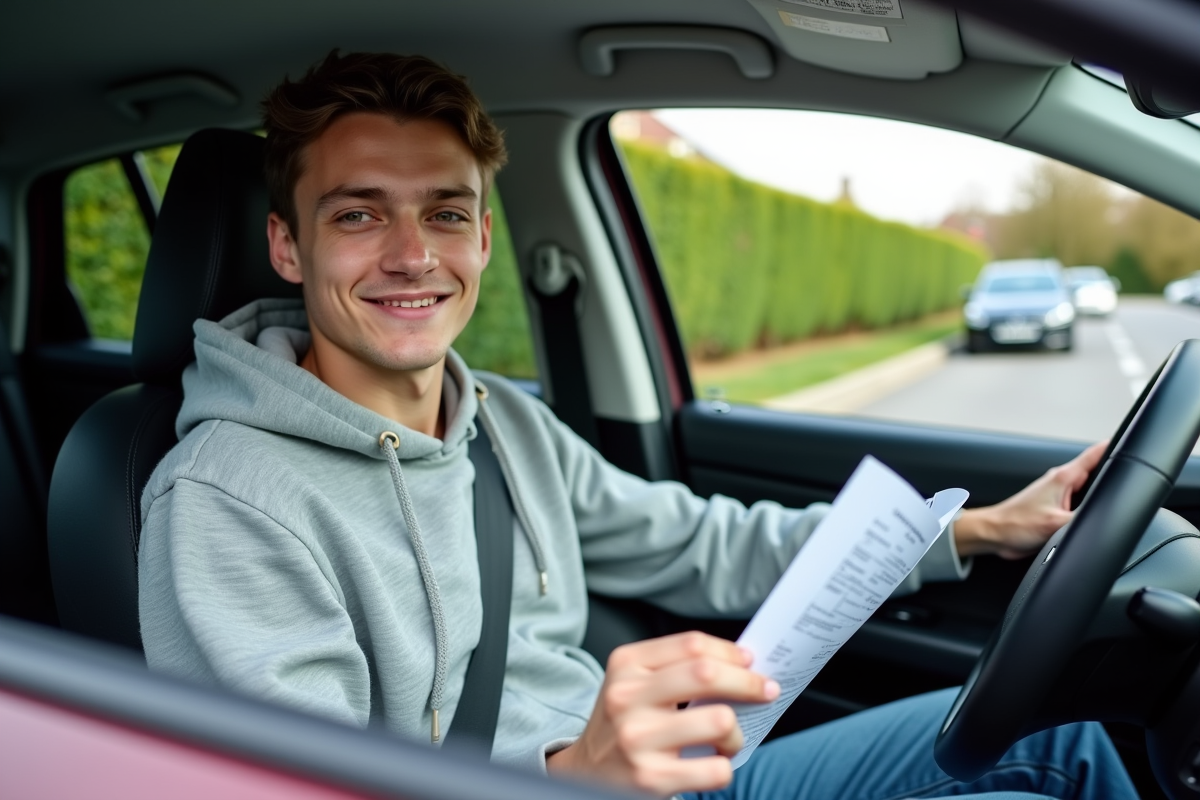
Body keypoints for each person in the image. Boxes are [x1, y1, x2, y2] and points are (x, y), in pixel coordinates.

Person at [137, 51, 1135, 800]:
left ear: (484, 238)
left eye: (445, 214)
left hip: (672, 775)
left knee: (1066, 739)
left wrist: (974, 528)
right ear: (286, 245)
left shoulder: (507, 425)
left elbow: (702, 539)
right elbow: (309, 784)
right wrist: (577, 771)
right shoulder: (222, 495)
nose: (412, 255)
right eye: (358, 215)